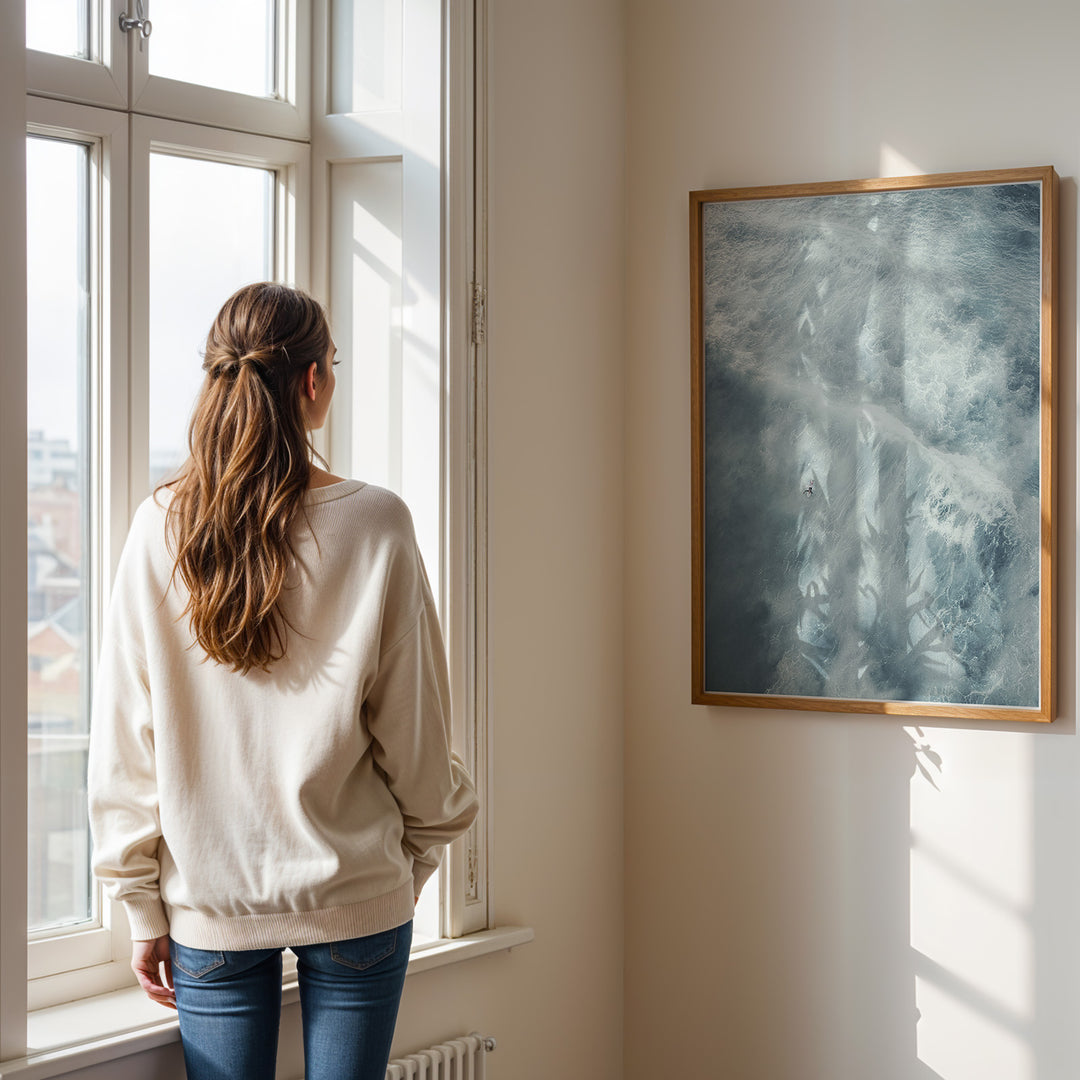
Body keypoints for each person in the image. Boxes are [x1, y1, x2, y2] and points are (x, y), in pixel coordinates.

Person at [88, 282, 479, 1080]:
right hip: (359, 891)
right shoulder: (375, 523)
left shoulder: (158, 525)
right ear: (311, 381)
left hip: (209, 905)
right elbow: (415, 724)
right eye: (331, 364)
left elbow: (126, 733)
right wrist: (422, 852)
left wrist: (140, 905)